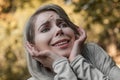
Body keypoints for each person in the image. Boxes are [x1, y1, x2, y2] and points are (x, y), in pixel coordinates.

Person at [23, 4, 120, 80]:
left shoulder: (92, 52)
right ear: (33, 47)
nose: (58, 30)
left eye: (63, 24)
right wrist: (60, 65)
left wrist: (76, 61)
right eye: (45, 29)